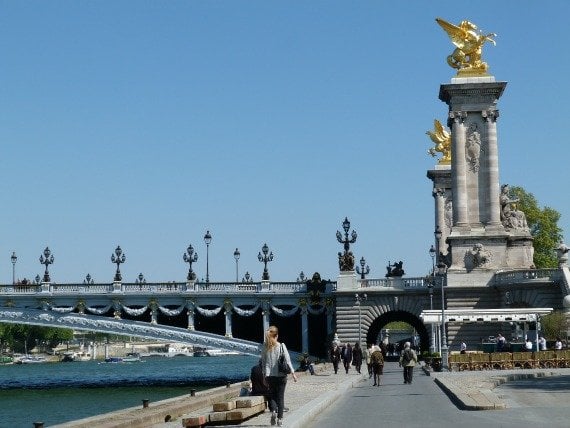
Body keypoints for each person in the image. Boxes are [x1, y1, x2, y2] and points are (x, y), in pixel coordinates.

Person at [261, 325, 297, 427]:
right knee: (280, 398)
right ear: (276, 335)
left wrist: (264, 376)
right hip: (281, 376)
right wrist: (293, 374)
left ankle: (273, 411)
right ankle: (280, 420)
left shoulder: (265, 346)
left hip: (269, 376)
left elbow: (263, 363)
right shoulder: (281, 346)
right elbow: (288, 360)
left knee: (272, 395)